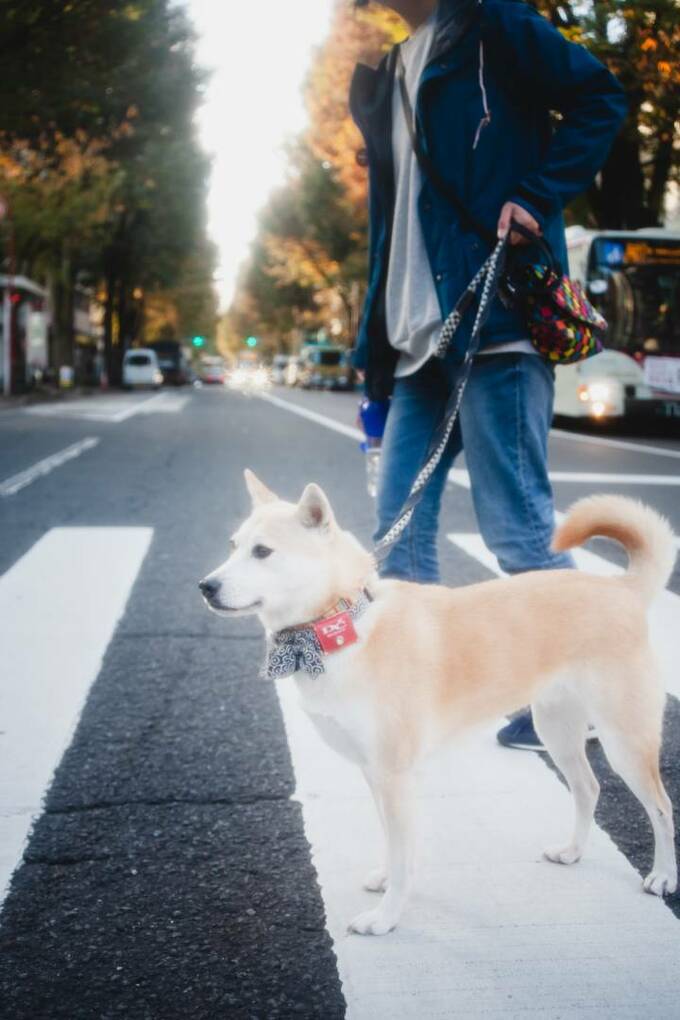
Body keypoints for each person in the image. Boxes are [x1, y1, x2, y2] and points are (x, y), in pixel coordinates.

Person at [349, 0, 627, 749]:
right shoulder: (386, 74)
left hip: (496, 325)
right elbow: (389, 228)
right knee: (397, 537)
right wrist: (371, 352)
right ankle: (419, 688)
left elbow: (602, 95)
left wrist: (537, 196)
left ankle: (585, 698)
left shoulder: (492, 27)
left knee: (520, 532)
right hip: (416, 343)